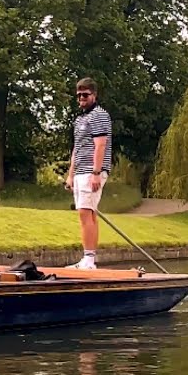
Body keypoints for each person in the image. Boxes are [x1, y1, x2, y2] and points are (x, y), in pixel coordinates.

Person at [64, 77, 112, 270]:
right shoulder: (80, 119)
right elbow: (77, 147)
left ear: (94, 95)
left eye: (85, 95)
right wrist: (70, 174)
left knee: (86, 212)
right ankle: (88, 258)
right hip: (80, 172)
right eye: (79, 95)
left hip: (92, 171)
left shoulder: (99, 115)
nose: (82, 98)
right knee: (87, 213)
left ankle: (89, 260)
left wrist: (96, 173)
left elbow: (100, 145)